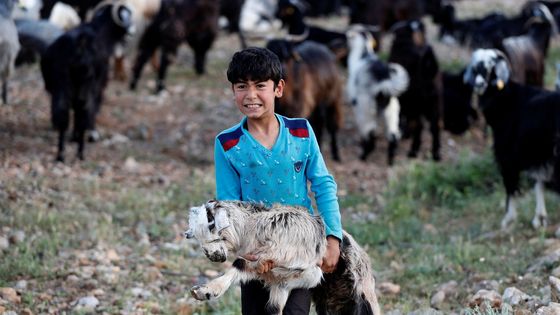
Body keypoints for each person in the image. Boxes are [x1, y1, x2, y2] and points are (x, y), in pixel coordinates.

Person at [214, 46, 343, 315]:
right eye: (241, 86)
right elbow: (229, 205)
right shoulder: (228, 144)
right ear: (233, 91)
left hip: (299, 249)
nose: (251, 95)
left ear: (278, 88)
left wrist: (333, 237)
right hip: (255, 254)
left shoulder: (301, 132)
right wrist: (245, 251)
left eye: (260, 85)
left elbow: (322, 184)